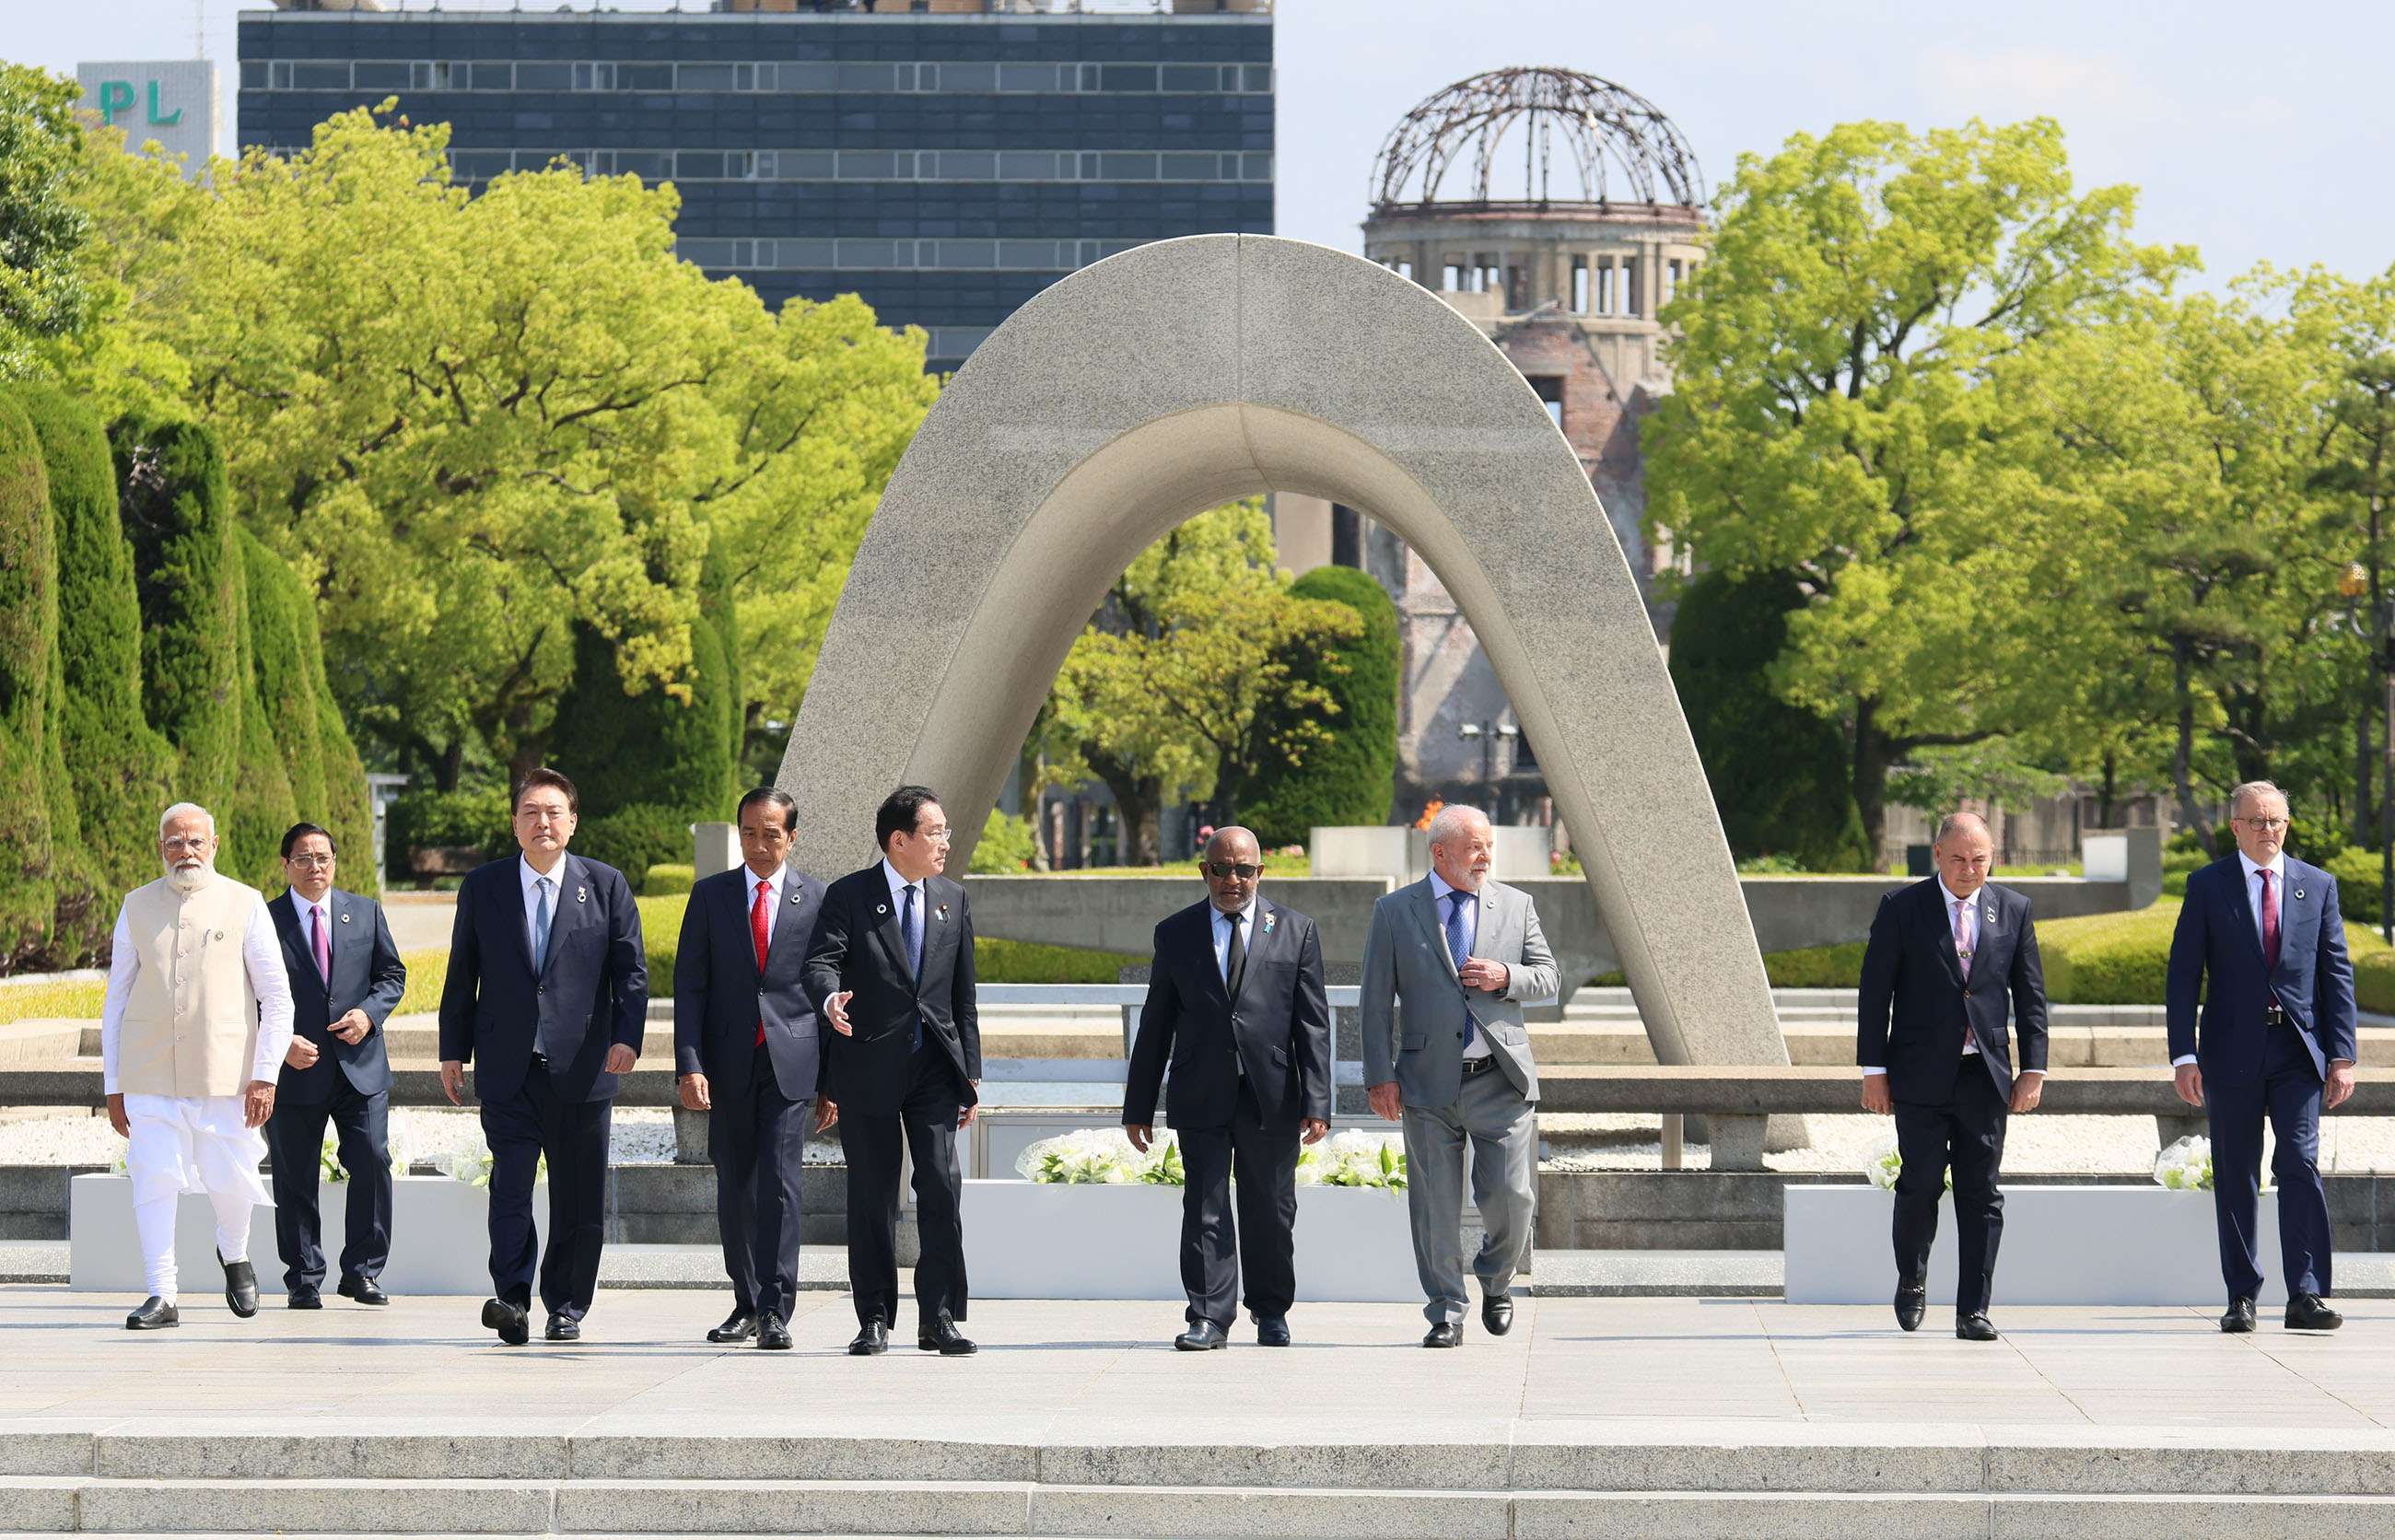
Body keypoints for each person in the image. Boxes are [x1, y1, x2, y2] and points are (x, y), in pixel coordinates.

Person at [438, 768, 648, 1346]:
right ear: (514, 824)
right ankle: (510, 1298)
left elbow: (631, 974)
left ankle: (567, 1305)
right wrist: (452, 1051)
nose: (543, 822)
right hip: (508, 1068)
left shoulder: (605, 885)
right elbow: (462, 975)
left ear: (573, 822)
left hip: (583, 1069)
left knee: (579, 1197)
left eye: (554, 812)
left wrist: (628, 1037)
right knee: (510, 1187)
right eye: (530, 812)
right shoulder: (483, 887)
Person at [1124, 826, 1333, 1350]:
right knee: (1205, 1207)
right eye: (1221, 868)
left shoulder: (1296, 929)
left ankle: (1270, 1310)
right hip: (1201, 1090)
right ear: (1204, 872)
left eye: (1243, 869)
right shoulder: (1175, 933)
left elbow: (1313, 1024)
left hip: (1273, 1095)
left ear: (1260, 872)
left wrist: (1318, 1102)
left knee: (1271, 1207)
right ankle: (1208, 1317)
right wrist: (1138, 1104)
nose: (1232, 879)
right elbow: (1156, 1023)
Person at [1359, 804, 1557, 1348]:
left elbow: (1548, 978)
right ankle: (1446, 1310)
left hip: (1501, 1079)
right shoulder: (1395, 911)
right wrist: (1380, 1076)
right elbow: (1374, 1004)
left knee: (1513, 1197)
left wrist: (1505, 975)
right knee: (1434, 1208)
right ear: (1440, 852)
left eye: (1489, 845)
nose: (1486, 855)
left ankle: (1497, 1278)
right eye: (1474, 846)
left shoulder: (1517, 906)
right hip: (1425, 1083)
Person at [2167, 780, 2356, 1334]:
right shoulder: (2207, 885)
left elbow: (2335, 972)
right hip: (2230, 1051)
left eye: (2276, 821)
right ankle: (2242, 1294)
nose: (2267, 830)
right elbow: (2183, 975)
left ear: (2287, 826)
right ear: (2235, 827)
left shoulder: (2317, 885)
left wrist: (2341, 1054)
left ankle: (2306, 1294)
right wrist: (2184, 1054)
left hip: (2299, 1051)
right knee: (2235, 1173)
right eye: (2256, 821)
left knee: (2299, 1163)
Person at [99, 802, 296, 1330]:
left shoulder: (246, 902)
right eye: (173, 842)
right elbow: (116, 1000)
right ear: (160, 849)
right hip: (148, 1071)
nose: (185, 851)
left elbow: (277, 997)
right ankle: (162, 1293)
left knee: (231, 1178)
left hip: (227, 1073)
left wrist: (266, 1073)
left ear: (213, 845)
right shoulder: (135, 905)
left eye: (194, 842)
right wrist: (114, 1084)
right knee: (153, 1177)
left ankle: (233, 1253)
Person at [1856, 811, 2049, 1341]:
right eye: (1959, 858)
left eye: (1979, 859)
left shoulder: (2013, 909)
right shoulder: (1902, 908)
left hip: (1983, 1075)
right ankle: (1913, 1277)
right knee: (1919, 1184)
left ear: (1993, 857)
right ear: (1937, 855)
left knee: (1981, 1192)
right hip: (1918, 1074)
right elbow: (1876, 995)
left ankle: (1974, 1309)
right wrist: (1875, 1071)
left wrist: (2033, 1069)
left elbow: (2030, 997)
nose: (1969, 869)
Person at [802, 786, 981, 1357]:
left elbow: (963, 996)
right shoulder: (850, 895)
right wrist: (830, 1001)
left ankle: (942, 1316)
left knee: (941, 1187)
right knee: (873, 1196)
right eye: (935, 833)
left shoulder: (952, 897)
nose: (945, 843)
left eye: (945, 831)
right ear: (898, 840)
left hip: (934, 1067)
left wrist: (970, 1071)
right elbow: (818, 962)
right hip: (868, 1066)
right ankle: (875, 1316)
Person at [674, 788, 830, 1351]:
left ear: (792, 836)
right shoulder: (711, 895)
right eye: (749, 833)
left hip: (792, 1062)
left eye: (771, 834)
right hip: (727, 1063)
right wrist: (689, 1064)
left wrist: (830, 1080)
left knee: (782, 1184)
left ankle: (775, 1308)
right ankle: (746, 1300)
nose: (759, 845)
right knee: (735, 1185)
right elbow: (689, 987)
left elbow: (829, 989)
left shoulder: (817, 899)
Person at [263, 822, 407, 1310]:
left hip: (360, 1066)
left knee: (371, 1161)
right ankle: (303, 1278)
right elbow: (243, 996)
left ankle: (362, 1272)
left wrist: (368, 1014)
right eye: (302, 859)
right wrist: (280, 1042)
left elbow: (391, 976)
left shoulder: (364, 912)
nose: (314, 867)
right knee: (294, 1174)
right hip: (294, 1069)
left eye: (322, 858)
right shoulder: (263, 921)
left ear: (335, 862)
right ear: (285, 865)